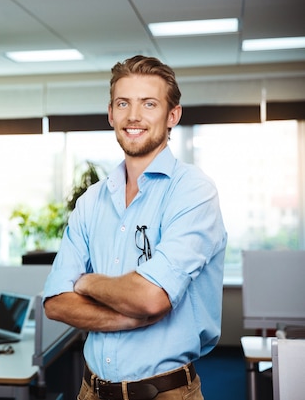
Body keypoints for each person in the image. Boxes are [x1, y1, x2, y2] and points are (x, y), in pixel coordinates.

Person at [43, 55, 227, 400]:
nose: (134, 116)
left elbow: (151, 298)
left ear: (173, 115)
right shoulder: (91, 201)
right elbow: (55, 303)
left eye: (149, 104)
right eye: (123, 103)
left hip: (165, 393)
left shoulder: (193, 191)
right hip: (91, 390)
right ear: (111, 113)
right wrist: (128, 319)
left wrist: (87, 282)